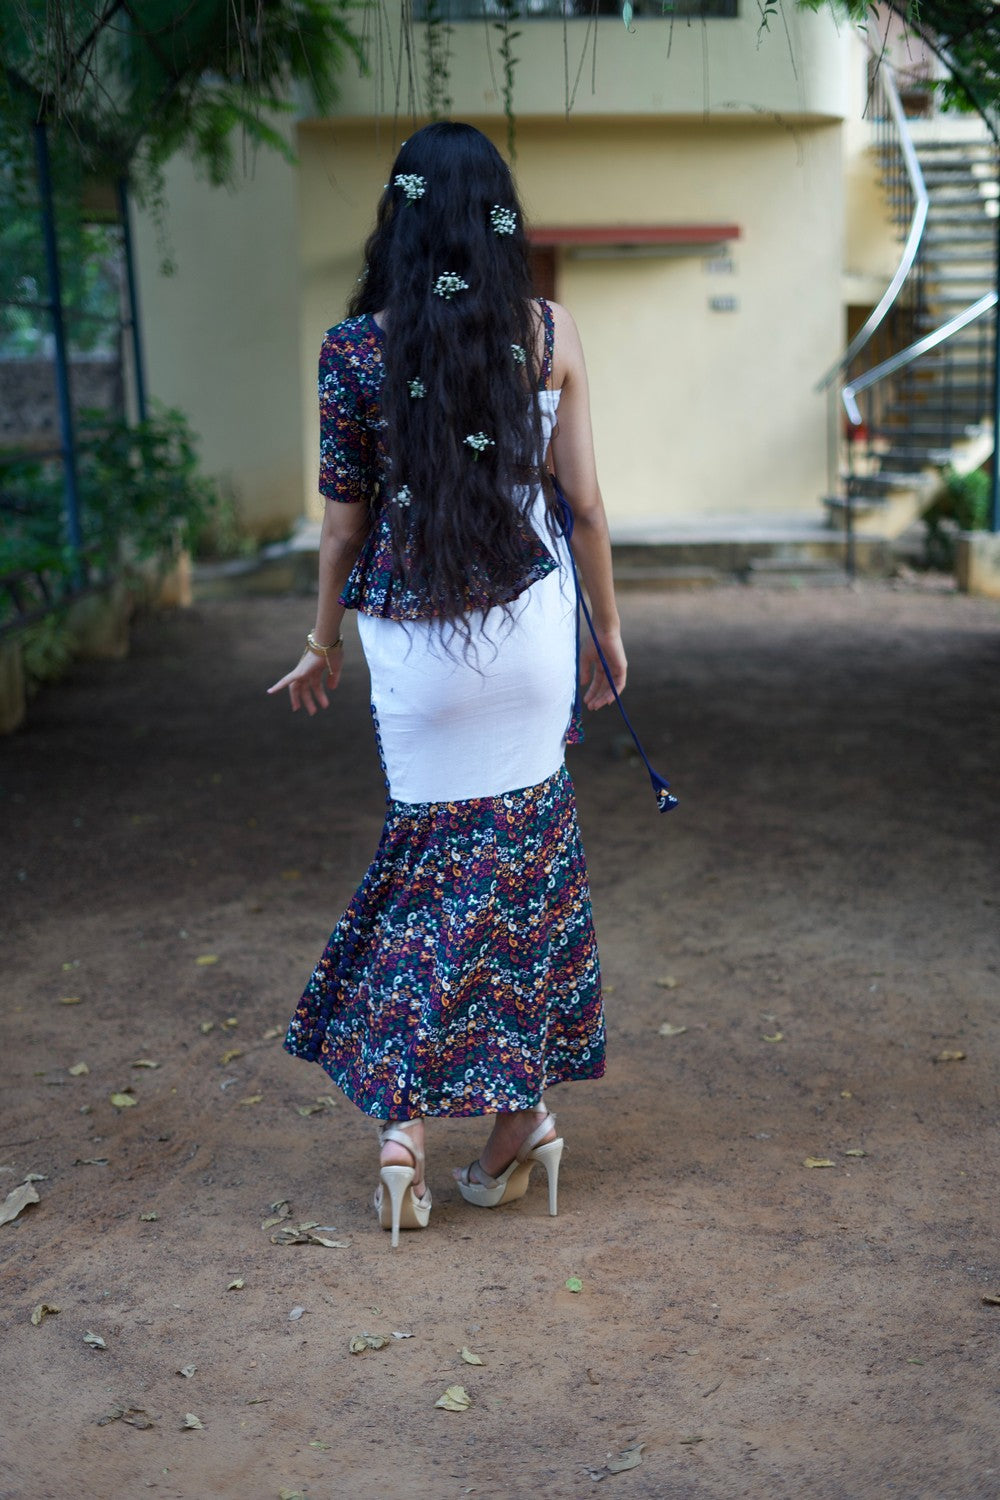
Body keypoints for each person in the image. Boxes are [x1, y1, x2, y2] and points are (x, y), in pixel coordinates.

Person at [268, 122, 626, 1247]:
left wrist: (325, 641)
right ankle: (521, 1119)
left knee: (425, 862)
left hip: (413, 646)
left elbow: (340, 531)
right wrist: (606, 634)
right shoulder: (546, 331)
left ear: (402, 215)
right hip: (527, 631)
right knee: (528, 853)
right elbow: (585, 509)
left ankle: (402, 1137)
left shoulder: (352, 351)